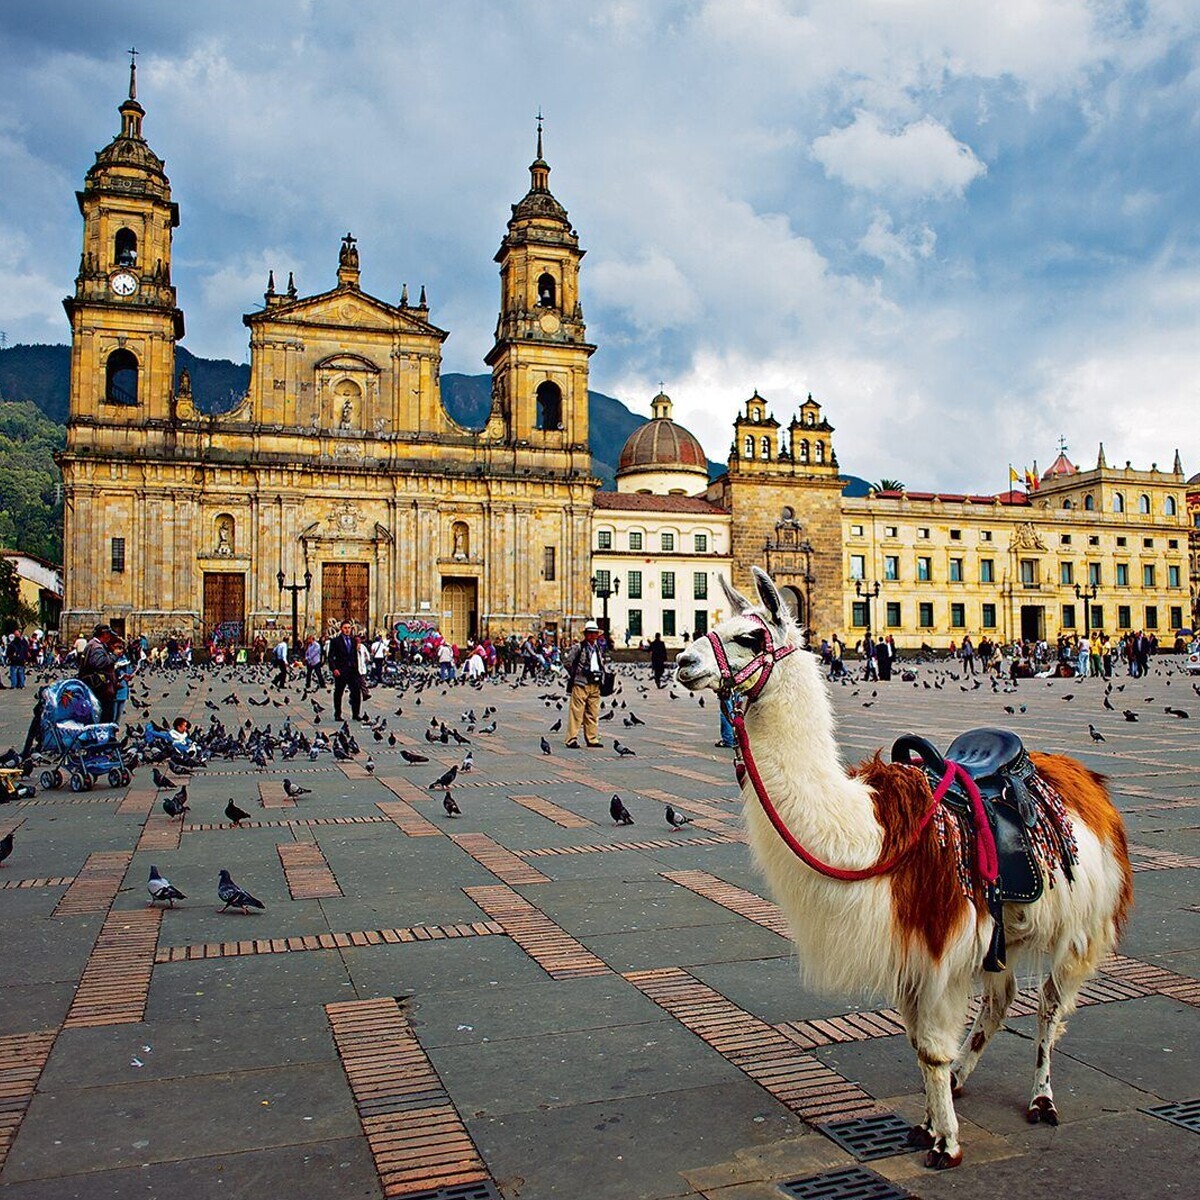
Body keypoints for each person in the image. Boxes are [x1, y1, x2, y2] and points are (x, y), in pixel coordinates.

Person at [564, 621, 609, 748]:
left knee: (593, 713)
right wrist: (577, 673)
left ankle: (592, 738)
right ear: (586, 634)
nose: (592, 636)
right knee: (576, 713)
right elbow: (567, 661)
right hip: (581, 683)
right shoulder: (579, 647)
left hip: (595, 684)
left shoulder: (597, 648)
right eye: (590, 633)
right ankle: (571, 739)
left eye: (594, 633)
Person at [78, 625, 120, 722]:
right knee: (105, 714)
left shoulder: (92, 644)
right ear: (104, 634)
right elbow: (99, 663)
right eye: (108, 634)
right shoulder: (96, 647)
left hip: (93, 684)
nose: (109, 637)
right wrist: (114, 656)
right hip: (99, 686)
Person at [328, 621, 363, 721]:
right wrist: (334, 669)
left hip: (352, 671)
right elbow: (330, 657)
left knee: (356, 692)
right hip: (341, 671)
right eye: (345, 628)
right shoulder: (335, 641)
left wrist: (357, 669)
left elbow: (354, 656)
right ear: (341, 629)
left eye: (349, 628)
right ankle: (337, 714)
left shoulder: (353, 641)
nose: (347, 630)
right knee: (339, 693)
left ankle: (356, 714)